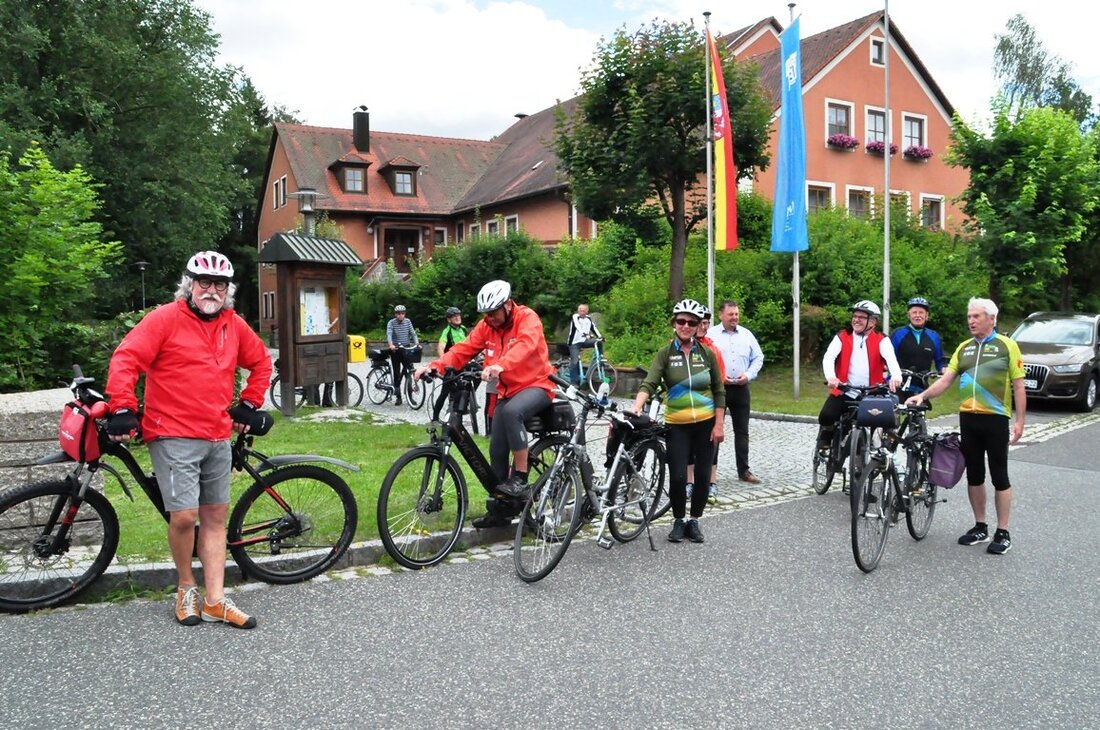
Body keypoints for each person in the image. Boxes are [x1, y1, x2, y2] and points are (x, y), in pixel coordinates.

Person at [105, 251, 272, 628]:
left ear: (227, 291)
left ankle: (215, 599)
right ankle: (185, 587)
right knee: (183, 516)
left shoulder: (233, 324)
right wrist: (122, 407)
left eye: (219, 285)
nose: (211, 291)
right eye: (204, 283)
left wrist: (248, 402)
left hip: (216, 432)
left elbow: (261, 362)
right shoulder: (165, 319)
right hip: (172, 431)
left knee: (215, 516)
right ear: (190, 284)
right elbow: (126, 359)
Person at [414, 280, 555, 528]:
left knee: (512, 413)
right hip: (507, 390)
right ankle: (501, 510)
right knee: (497, 450)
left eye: (494, 312)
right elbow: (463, 349)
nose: (490, 318)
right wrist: (434, 367)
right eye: (486, 314)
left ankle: (520, 477)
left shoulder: (527, 318)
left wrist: (501, 365)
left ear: (508, 305)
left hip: (538, 385)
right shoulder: (487, 326)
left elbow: (525, 345)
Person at [905, 298, 1025, 555]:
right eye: (969, 316)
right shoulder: (964, 348)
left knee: (1000, 475)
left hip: (995, 419)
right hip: (969, 419)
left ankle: (1003, 531)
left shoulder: (1007, 346)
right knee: (975, 475)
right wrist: (923, 396)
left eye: (976, 316)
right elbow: (946, 381)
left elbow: (1018, 386)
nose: (971, 321)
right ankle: (980, 526)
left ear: (991, 318)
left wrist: (1020, 422)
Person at [631, 299, 725, 544]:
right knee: (679, 477)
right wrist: (637, 406)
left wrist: (719, 424)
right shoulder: (666, 353)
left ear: (697, 327)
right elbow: (649, 382)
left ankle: (694, 521)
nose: (685, 325)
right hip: (677, 425)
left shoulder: (707, 354)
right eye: (681, 321)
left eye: (691, 322)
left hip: (705, 424)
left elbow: (719, 390)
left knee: (703, 477)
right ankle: (678, 519)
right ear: (674, 324)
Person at [817, 300, 902, 449]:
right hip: (845, 390)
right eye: (855, 316)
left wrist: (896, 376)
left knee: (882, 423)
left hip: (872, 393)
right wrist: (831, 377)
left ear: (873, 321)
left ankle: (873, 455)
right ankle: (827, 434)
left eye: (862, 317)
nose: (856, 319)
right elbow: (829, 357)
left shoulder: (882, 340)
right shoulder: (842, 337)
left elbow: (891, 360)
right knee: (826, 416)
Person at [708, 299, 765, 488]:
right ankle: (710, 470)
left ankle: (744, 470)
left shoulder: (747, 335)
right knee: (715, 430)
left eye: (737, 314)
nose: (734, 318)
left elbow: (758, 357)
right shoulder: (711, 334)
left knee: (742, 431)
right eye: (731, 314)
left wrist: (748, 375)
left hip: (741, 388)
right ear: (721, 315)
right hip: (719, 389)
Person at [687, 307, 727, 505]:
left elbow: (721, 379)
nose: (702, 327)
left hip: (709, 405)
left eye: (705, 323)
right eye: (699, 323)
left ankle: (712, 482)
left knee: (712, 444)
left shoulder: (713, 349)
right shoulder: (678, 346)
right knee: (688, 445)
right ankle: (689, 481)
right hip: (686, 405)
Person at [890, 296, 946, 393]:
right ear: (908, 315)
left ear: (927, 315)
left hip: (921, 386)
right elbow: (888, 358)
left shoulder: (934, 336)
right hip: (898, 385)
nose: (918, 315)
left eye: (921, 312)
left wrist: (944, 370)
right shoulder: (898, 334)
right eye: (914, 312)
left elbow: (940, 360)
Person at [431, 307, 469, 422]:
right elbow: (440, 348)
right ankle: (435, 418)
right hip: (451, 366)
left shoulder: (463, 329)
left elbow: (468, 345)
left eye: (458, 315)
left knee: (465, 386)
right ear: (449, 320)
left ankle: (460, 412)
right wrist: (444, 363)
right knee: (444, 392)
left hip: (463, 363)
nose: (457, 317)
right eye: (454, 316)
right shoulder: (447, 331)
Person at [386, 304, 419, 405]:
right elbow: (389, 334)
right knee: (396, 372)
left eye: (402, 313)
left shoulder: (408, 321)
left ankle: (410, 397)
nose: (401, 315)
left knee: (409, 372)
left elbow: (413, 333)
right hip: (395, 349)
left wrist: (417, 343)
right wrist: (391, 344)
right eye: (398, 314)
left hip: (406, 348)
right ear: (395, 314)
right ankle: (398, 397)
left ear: (405, 314)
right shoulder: (391, 323)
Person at [566, 303, 603, 385]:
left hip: (584, 341)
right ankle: (574, 382)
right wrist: (584, 333)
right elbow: (577, 326)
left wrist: (600, 336)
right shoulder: (575, 316)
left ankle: (600, 360)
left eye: (584, 311)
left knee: (598, 342)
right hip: (574, 343)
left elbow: (593, 328)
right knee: (575, 361)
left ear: (587, 311)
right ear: (578, 311)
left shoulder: (588, 318)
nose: (582, 312)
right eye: (580, 310)